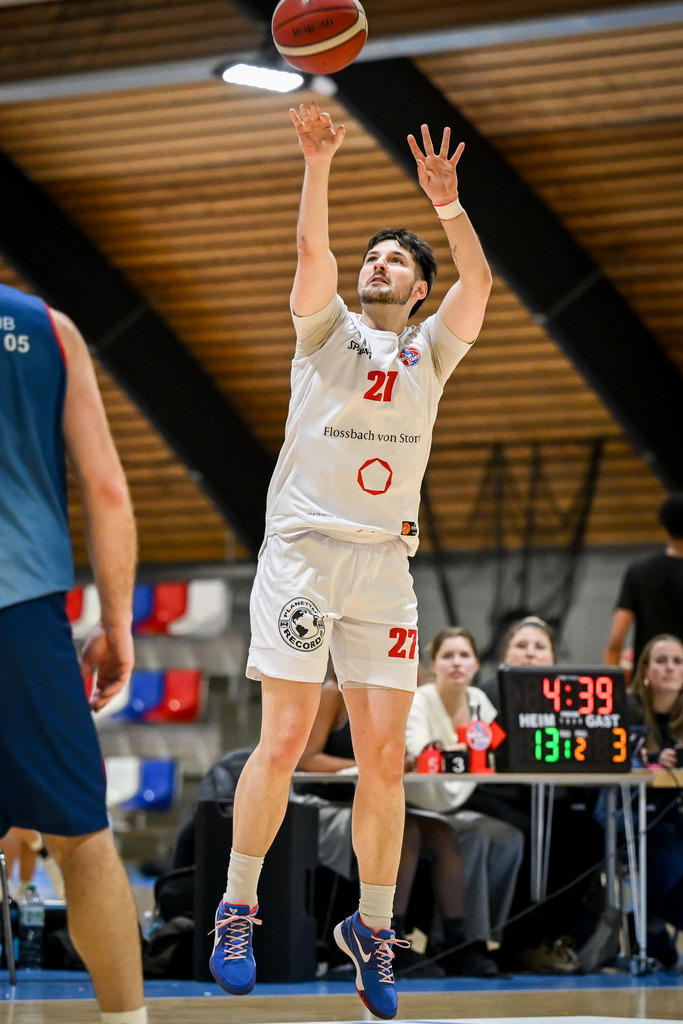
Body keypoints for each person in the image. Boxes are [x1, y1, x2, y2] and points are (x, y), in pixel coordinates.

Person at [209, 101, 492, 1019]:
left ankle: (371, 928)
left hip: (382, 568)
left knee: (383, 762)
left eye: (396, 261)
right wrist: (317, 161)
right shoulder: (323, 332)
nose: (377, 264)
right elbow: (309, 254)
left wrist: (447, 205)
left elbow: (481, 283)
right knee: (286, 738)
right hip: (302, 554)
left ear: (419, 290)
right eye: (372, 255)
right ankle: (237, 907)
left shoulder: (431, 352)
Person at [0, 282, 146, 1024]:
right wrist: (116, 622)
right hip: (22, 607)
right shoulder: (49, 329)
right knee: (80, 840)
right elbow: (106, 488)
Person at [295, 674, 498, 977]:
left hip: (368, 799)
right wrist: (371, 767)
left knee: (443, 834)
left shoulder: (392, 690)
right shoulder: (333, 692)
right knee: (404, 832)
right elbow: (308, 759)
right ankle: (387, 940)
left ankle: (455, 943)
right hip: (324, 803)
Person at [477, 616, 606, 972]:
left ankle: (559, 935)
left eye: (539, 647)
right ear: (506, 654)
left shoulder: (568, 695)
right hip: (495, 795)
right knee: (532, 836)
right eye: (521, 646)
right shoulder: (486, 695)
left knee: (589, 835)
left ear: (552, 657)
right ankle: (518, 940)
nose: (530, 654)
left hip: (549, 797)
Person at [404, 628, 524, 952]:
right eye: (448, 656)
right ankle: (452, 940)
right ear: (433, 665)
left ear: (476, 664)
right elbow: (420, 753)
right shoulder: (418, 700)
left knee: (510, 839)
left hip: (456, 806)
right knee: (473, 838)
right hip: (417, 806)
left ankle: (489, 932)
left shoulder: (479, 701)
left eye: (464, 655)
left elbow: (499, 750)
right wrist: (470, 751)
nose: (456, 663)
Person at [623, 633, 683, 967]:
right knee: (669, 849)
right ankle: (646, 924)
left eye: (677, 661)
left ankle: (654, 919)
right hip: (631, 815)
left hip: (674, 813)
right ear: (645, 670)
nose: (670, 668)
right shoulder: (628, 709)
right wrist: (648, 760)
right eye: (661, 661)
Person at [604, 493, 683, 670]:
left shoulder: (639, 572)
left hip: (649, 676)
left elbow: (615, 642)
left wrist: (614, 683)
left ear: (664, 527)